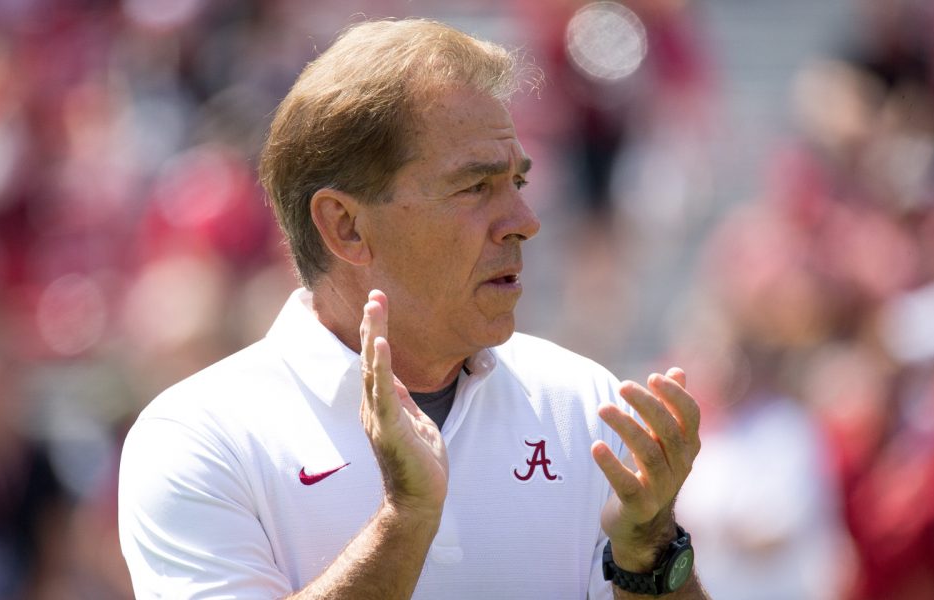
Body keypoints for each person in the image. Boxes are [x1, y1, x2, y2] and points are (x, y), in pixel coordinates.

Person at [118, 18, 708, 599]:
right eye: (475, 188)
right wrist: (404, 521)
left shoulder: (585, 404)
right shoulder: (199, 436)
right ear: (345, 226)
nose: (524, 223)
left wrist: (649, 555)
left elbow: (645, 567)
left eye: (517, 183)